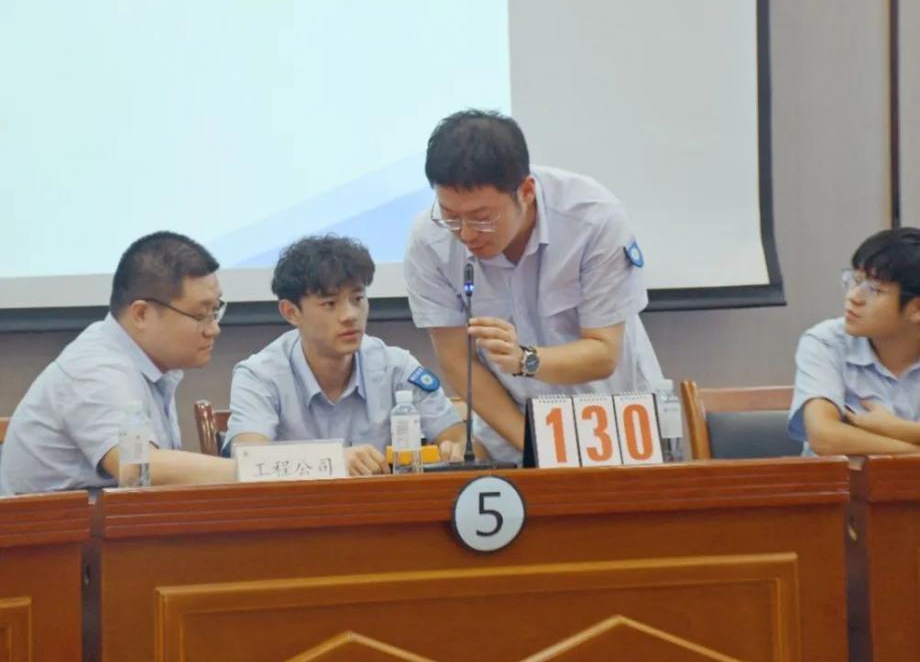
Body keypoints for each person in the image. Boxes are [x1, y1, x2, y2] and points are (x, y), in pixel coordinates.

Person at [403, 109, 662, 465]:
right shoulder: (429, 242)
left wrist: (525, 360)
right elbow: (457, 361)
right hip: (514, 436)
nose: (466, 234)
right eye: (450, 216)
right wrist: (534, 446)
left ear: (525, 191)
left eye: (482, 218)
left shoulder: (592, 218)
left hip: (613, 425)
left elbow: (603, 353)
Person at [0, 232, 235, 495]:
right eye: (201, 314)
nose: (214, 329)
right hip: (50, 522)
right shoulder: (95, 367)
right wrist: (254, 470)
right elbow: (137, 466)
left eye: (216, 310)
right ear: (141, 314)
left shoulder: (149, 365)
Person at [225, 235, 465, 475]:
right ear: (291, 312)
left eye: (357, 299)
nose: (350, 315)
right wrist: (332, 461)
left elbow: (454, 438)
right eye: (330, 304)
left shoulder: (397, 367)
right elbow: (248, 461)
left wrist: (449, 449)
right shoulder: (259, 375)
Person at [789, 227, 920, 456]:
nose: (853, 297)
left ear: (916, 309)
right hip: (838, 480)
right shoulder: (826, 342)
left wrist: (896, 428)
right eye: (856, 281)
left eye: (874, 290)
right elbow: (824, 437)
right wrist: (912, 453)